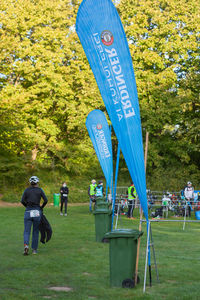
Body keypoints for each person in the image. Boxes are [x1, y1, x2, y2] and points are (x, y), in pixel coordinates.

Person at [21, 176, 48, 255]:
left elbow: (22, 201)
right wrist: (41, 208)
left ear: (30, 183)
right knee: (35, 231)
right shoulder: (40, 190)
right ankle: (34, 250)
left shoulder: (26, 190)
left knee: (26, 231)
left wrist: (27, 207)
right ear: (37, 182)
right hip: (37, 212)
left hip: (28, 211)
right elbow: (46, 200)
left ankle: (26, 246)